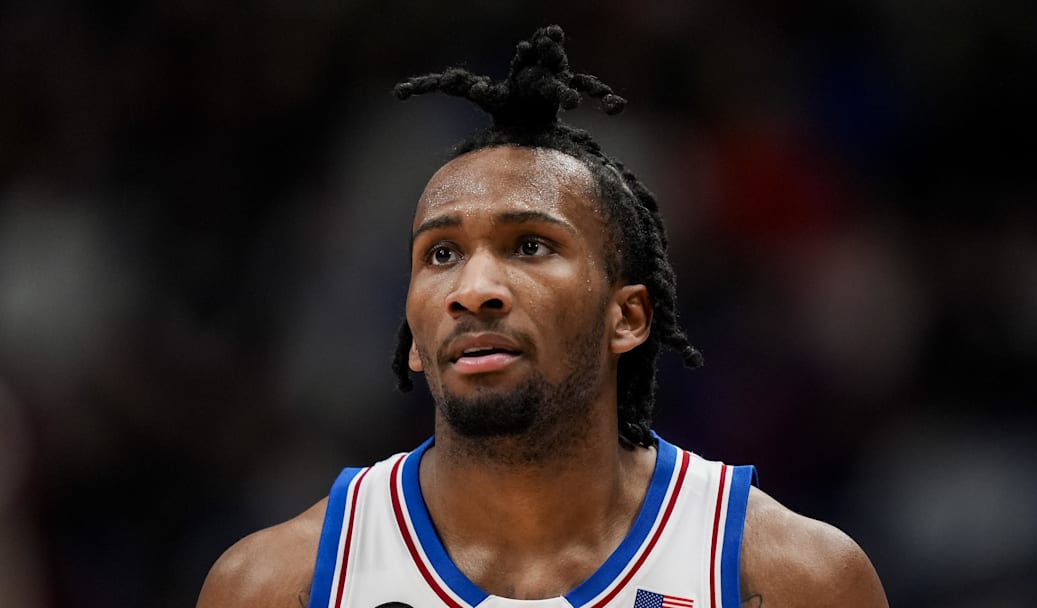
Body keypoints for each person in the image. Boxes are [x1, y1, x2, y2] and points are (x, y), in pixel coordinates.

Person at [196, 25, 889, 607]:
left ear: (628, 318)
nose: (475, 289)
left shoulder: (789, 578)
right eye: (440, 254)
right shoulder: (274, 585)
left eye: (530, 245)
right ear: (413, 340)